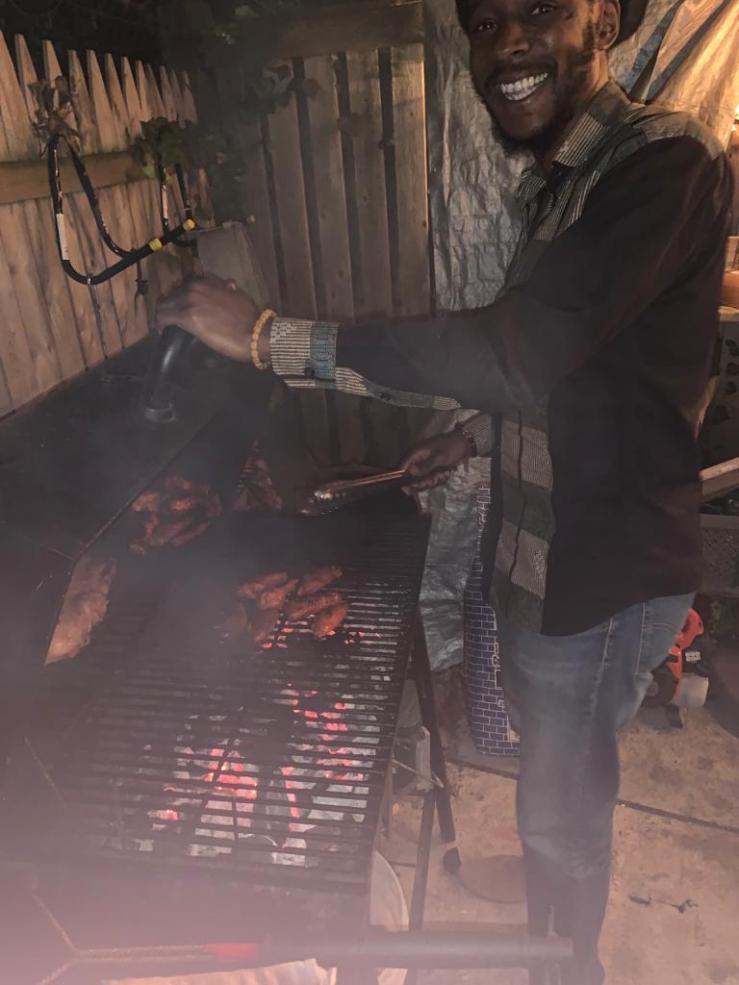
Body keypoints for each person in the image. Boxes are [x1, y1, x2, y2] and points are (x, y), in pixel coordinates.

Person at [155, 1, 733, 980]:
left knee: (564, 809)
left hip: (597, 579)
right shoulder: (563, 188)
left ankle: (566, 965)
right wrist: (475, 435)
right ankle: (555, 916)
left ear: (605, 18)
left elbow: (520, 353)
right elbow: (580, 371)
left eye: (536, 10)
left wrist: (270, 338)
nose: (501, 42)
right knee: (554, 787)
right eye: (481, 21)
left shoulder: (660, 164)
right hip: (549, 563)